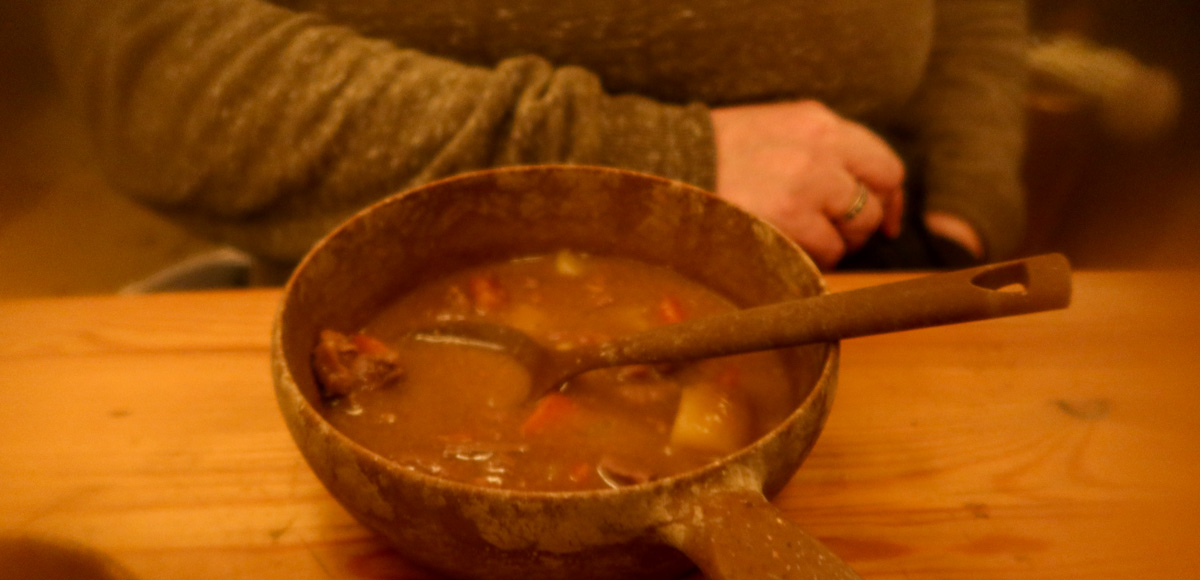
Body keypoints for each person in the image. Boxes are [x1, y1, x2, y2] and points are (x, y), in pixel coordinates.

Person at [43, 0, 1028, 280]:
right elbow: (152, 60)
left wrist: (967, 208)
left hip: (866, 270)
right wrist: (664, 165)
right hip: (403, 301)